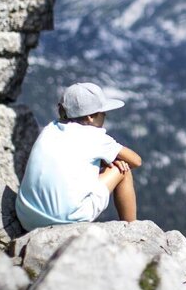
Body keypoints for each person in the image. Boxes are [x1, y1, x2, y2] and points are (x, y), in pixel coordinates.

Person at [15, 82, 142, 232]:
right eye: (102, 112)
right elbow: (136, 161)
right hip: (64, 221)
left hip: (26, 217)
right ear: (90, 117)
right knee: (123, 169)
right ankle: (132, 230)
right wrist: (112, 161)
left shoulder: (50, 129)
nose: (105, 115)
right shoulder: (95, 137)